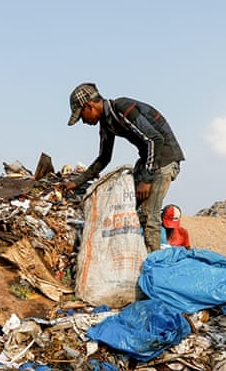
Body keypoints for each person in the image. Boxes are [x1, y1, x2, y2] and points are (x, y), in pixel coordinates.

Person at [62, 82, 185, 251]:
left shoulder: (122, 109)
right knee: (128, 209)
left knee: (150, 216)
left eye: (82, 116)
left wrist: (146, 180)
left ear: (88, 106)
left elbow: (154, 140)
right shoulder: (106, 123)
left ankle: (154, 266)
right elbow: (104, 158)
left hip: (163, 159)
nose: (83, 121)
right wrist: (77, 182)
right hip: (147, 159)